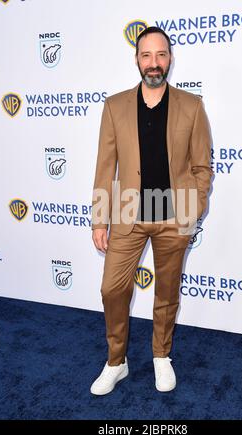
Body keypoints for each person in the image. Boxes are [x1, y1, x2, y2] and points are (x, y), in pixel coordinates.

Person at [90, 26, 213, 395]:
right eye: (147, 55)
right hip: (128, 212)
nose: (154, 63)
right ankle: (117, 361)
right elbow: (104, 166)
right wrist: (100, 218)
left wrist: (194, 207)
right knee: (112, 289)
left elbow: (202, 166)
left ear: (170, 59)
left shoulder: (192, 106)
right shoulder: (114, 106)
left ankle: (161, 355)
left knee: (167, 291)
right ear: (137, 59)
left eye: (161, 55)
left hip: (174, 214)